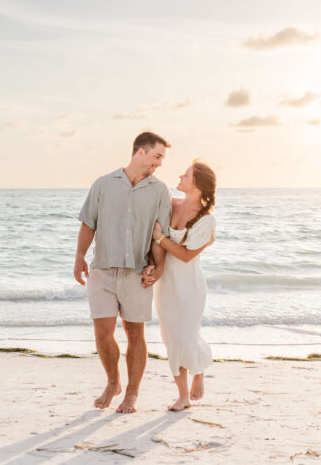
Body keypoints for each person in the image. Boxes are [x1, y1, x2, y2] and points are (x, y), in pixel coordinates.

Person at [74, 131, 173, 413]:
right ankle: (113, 382)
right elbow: (87, 224)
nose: (160, 163)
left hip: (136, 273)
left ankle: (131, 393)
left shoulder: (160, 191)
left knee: (135, 333)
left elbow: (159, 235)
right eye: (157, 156)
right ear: (140, 152)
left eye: (162, 158)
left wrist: (159, 266)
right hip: (102, 271)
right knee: (103, 331)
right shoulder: (104, 184)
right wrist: (80, 257)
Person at [150, 160, 216, 411]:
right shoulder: (171, 206)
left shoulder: (206, 222)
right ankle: (182, 395)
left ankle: (198, 371)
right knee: (171, 338)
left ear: (198, 186)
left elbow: (186, 255)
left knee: (187, 334)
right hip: (166, 285)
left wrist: (160, 238)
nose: (180, 176)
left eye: (186, 175)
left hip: (190, 288)